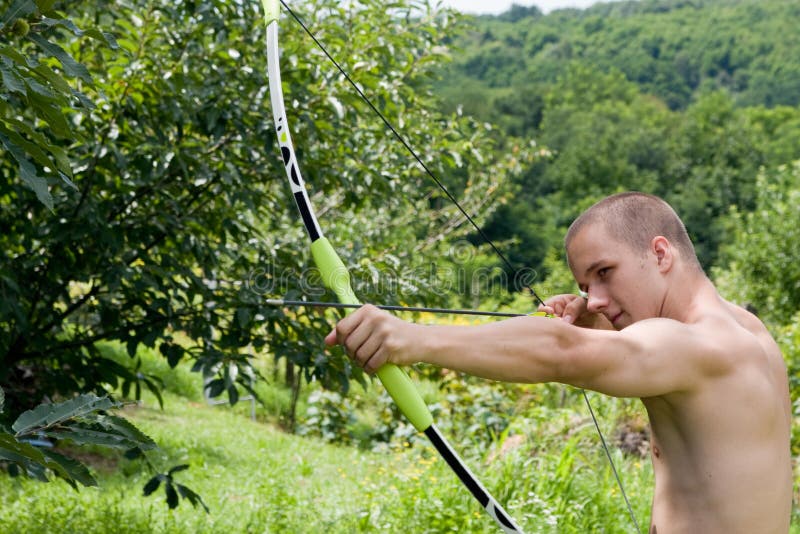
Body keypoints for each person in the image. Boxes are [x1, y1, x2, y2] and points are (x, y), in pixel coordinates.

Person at [324, 192, 793, 533]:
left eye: (605, 273)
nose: (597, 300)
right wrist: (595, 323)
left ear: (660, 253)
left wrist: (409, 338)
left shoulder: (704, 347)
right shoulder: (746, 330)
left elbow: (561, 352)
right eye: (587, 287)